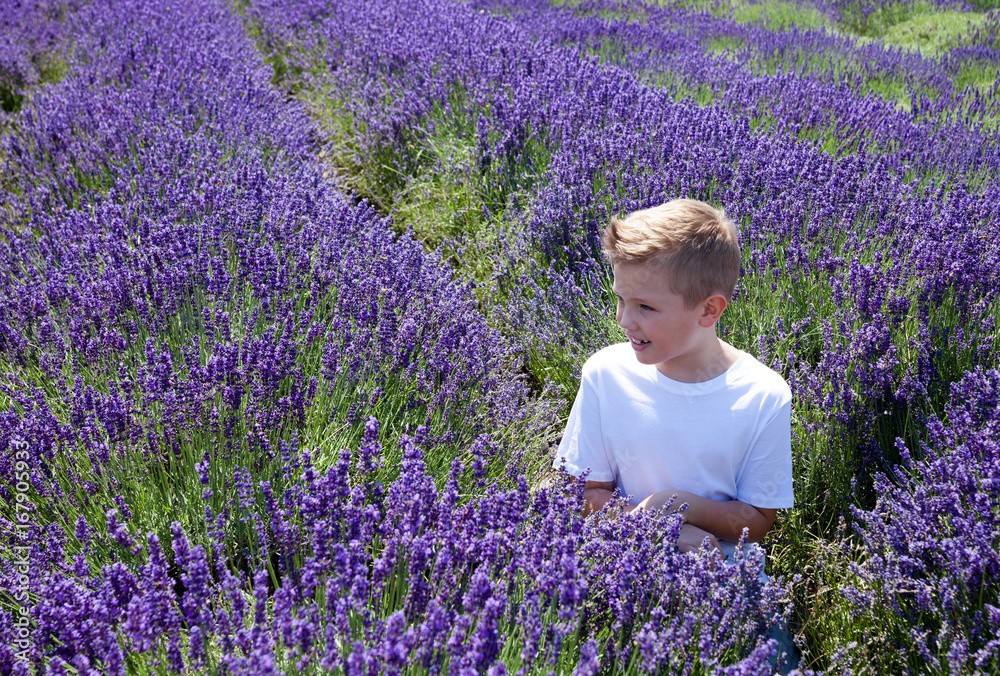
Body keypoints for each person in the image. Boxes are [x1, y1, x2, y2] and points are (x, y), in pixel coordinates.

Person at [553, 198, 794, 563]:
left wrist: (675, 504)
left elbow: (757, 520)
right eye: (620, 299)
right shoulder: (606, 374)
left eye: (645, 307)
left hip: (724, 578)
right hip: (622, 560)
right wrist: (658, 526)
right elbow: (583, 492)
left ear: (709, 310)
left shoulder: (762, 395)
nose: (624, 320)